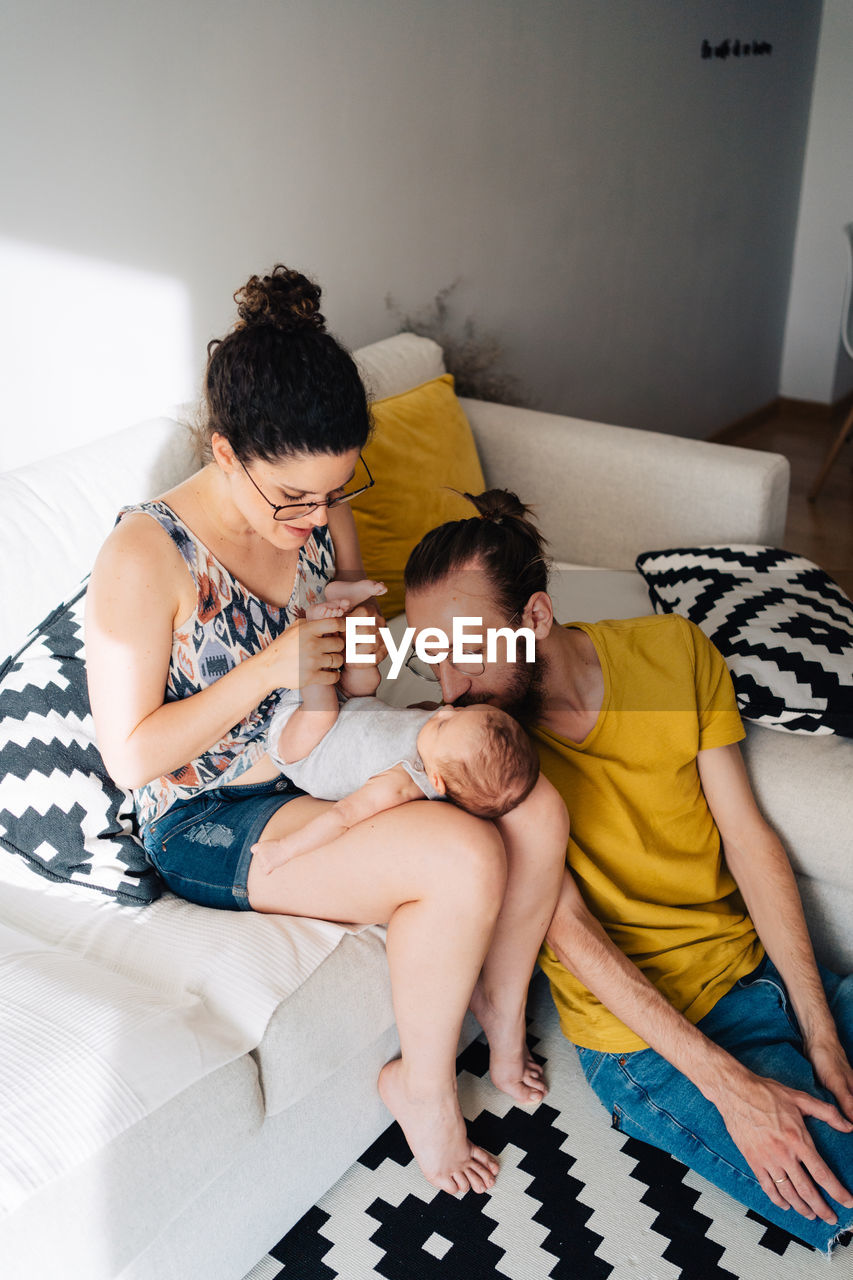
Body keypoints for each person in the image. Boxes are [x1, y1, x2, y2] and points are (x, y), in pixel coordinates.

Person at [84, 266, 568, 1197]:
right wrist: (270, 668)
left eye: (334, 491)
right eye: (293, 501)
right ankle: (419, 1089)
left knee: (533, 808)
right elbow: (132, 753)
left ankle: (501, 1013)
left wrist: (348, 636)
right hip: (210, 808)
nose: (314, 517)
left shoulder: (319, 504)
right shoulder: (145, 555)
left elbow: (347, 686)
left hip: (316, 747)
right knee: (460, 857)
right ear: (225, 454)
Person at [402, 486, 853, 1251]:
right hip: (642, 1045)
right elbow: (570, 933)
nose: (451, 690)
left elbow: (747, 839)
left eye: (469, 651)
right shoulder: (489, 759)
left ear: (535, 618)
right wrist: (732, 1089)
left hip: (750, 976)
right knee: (837, 1179)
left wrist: (818, 1027)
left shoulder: (672, 652)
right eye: (432, 661)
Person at [252, 578, 541, 870]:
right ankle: (343, 602)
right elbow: (398, 721)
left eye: (443, 724)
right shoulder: (445, 743)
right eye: (457, 712)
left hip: (302, 747)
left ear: (436, 780)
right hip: (347, 708)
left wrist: (284, 850)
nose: (445, 710)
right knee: (368, 679)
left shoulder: (401, 782)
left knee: (322, 711)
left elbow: (341, 817)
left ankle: (314, 628)